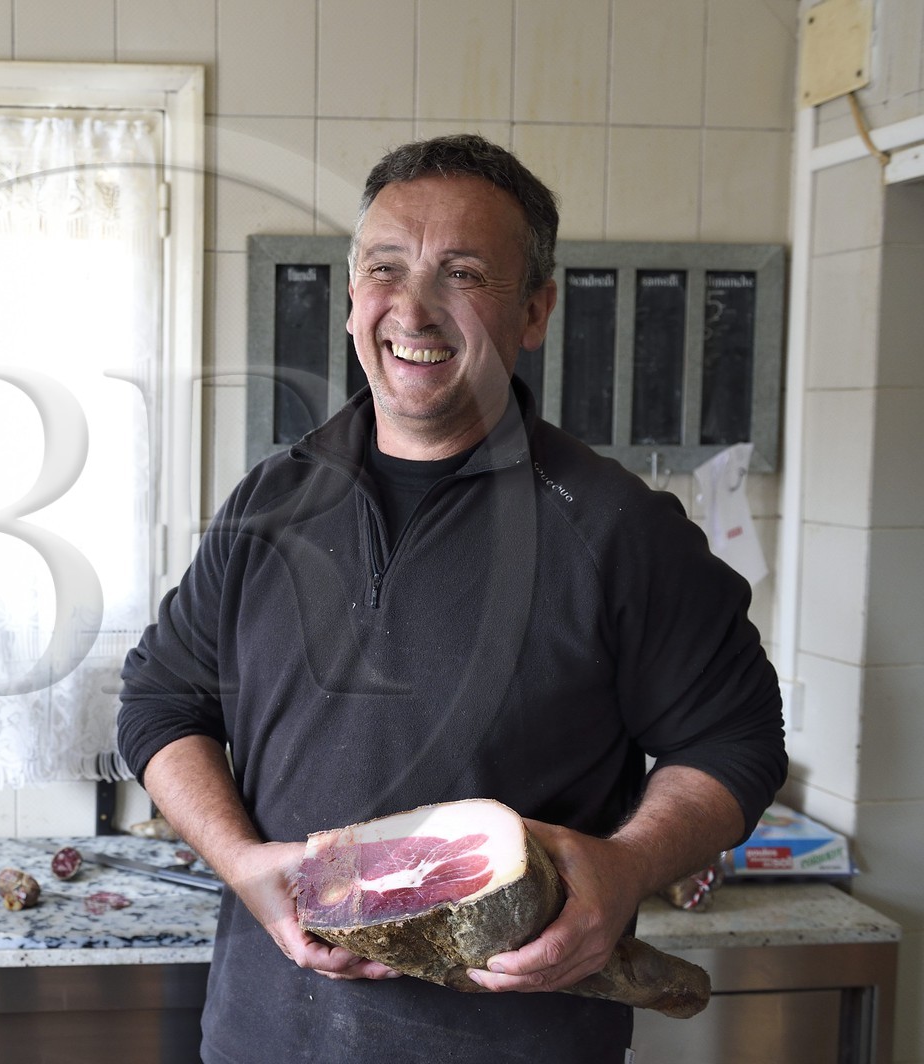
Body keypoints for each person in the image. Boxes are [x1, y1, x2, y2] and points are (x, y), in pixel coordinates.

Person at [115, 134, 787, 1063]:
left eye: (462, 272)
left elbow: (735, 740)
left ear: (535, 311)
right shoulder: (270, 502)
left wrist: (628, 867)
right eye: (384, 266)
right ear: (352, 295)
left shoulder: (619, 529)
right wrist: (239, 863)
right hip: (263, 1035)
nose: (413, 307)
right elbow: (161, 700)